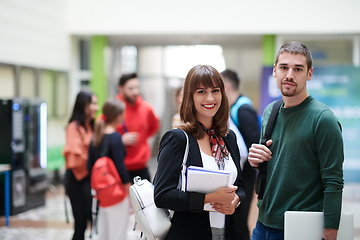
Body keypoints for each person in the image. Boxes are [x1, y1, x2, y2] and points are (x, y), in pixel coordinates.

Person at [248, 41, 344, 240]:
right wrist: (255, 161)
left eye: (298, 69)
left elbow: (333, 181)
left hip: (302, 227)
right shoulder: (270, 112)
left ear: (309, 74)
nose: (289, 74)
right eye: (284, 67)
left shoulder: (323, 119)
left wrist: (330, 229)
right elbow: (274, 167)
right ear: (275, 71)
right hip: (263, 223)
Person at [153, 64, 246, 240]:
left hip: (227, 231)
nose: (210, 98)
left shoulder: (228, 137)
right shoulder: (177, 139)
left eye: (215, 90)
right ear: (190, 97)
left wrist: (235, 201)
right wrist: (209, 198)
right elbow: (162, 195)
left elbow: (239, 184)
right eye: (201, 92)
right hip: (190, 232)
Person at [221, 69, 260, 240]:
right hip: (239, 175)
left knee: (239, 222)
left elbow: (253, 144)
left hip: (245, 175)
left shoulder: (243, 109)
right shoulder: (235, 107)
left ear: (227, 86)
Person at [87, 98, 132, 240]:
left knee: (103, 233)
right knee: (118, 234)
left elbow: (89, 166)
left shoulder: (96, 137)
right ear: (118, 116)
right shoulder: (116, 138)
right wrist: (129, 190)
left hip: (102, 193)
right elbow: (120, 167)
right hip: (116, 192)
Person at [63, 91, 99, 240]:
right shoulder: (74, 127)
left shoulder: (92, 126)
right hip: (78, 180)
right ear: (84, 106)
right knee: (81, 223)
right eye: (93, 103)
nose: (96, 107)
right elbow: (75, 157)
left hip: (91, 178)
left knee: (95, 221)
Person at [116, 73, 160, 181]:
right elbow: (102, 130)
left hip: (141, 166)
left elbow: (154, 127)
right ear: (120, 89)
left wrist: (142, 138)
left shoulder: (147, 108)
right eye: (130, 88)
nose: (135, 92)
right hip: (118, 166)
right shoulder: (114, 107)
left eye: (137, 88)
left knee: (146, 197)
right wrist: (119, 139)